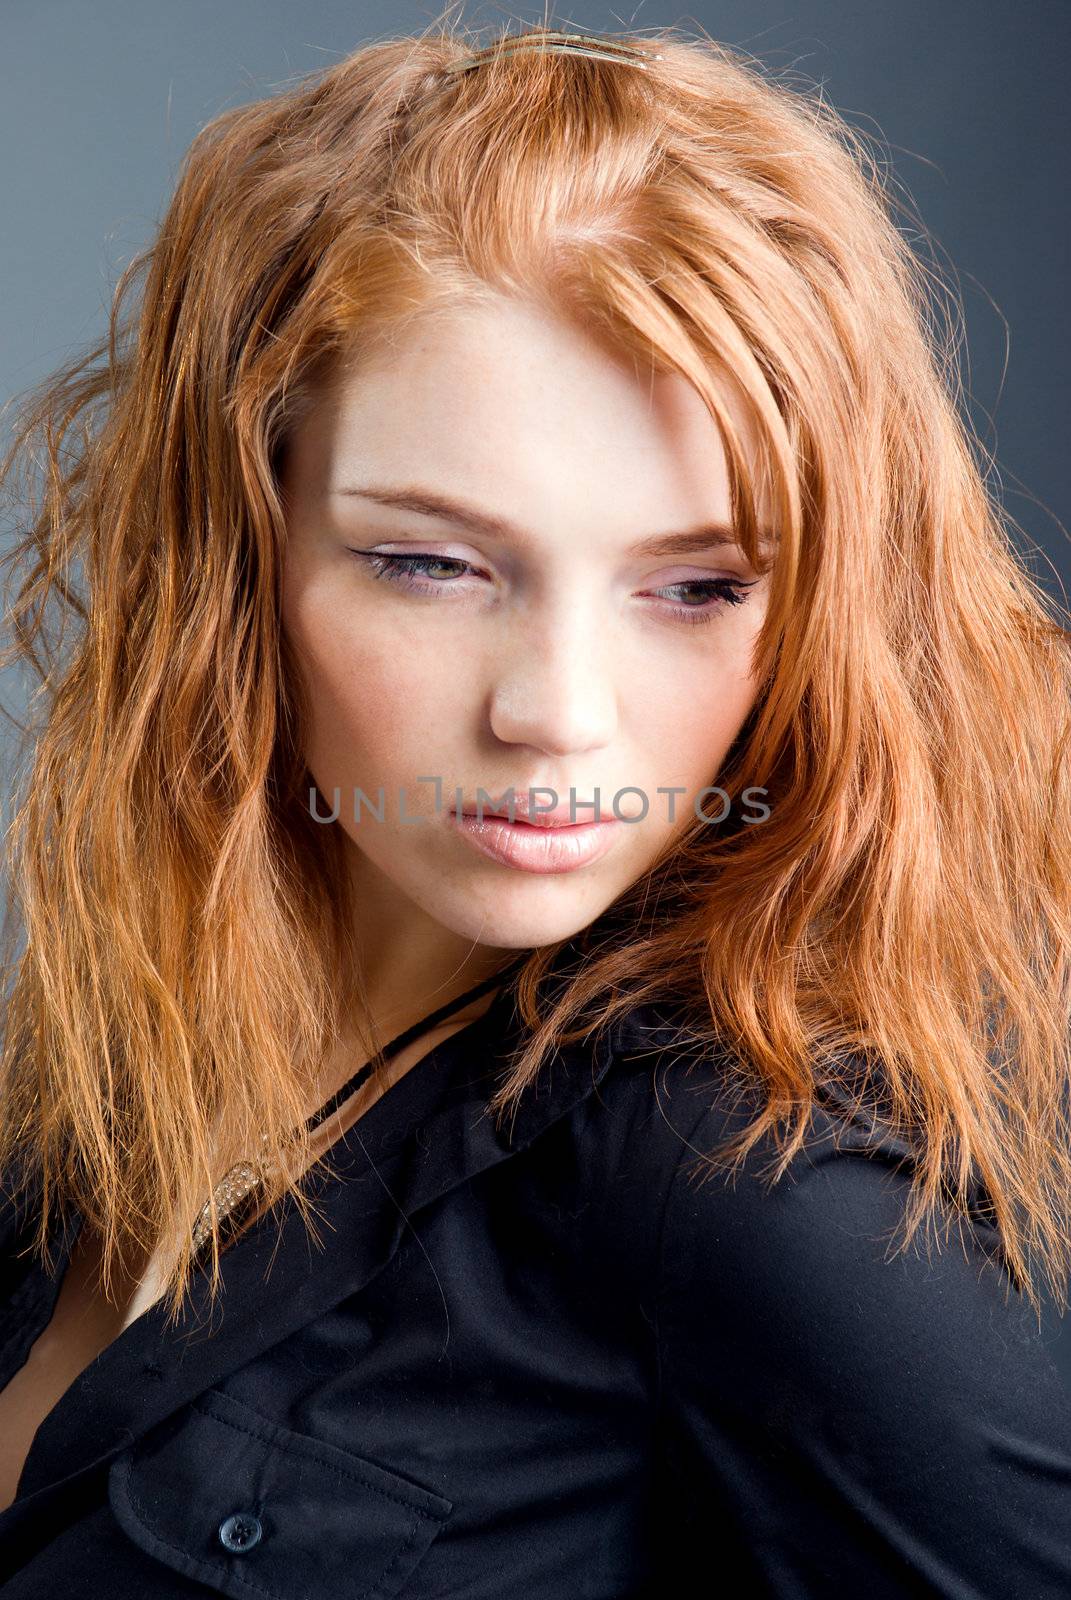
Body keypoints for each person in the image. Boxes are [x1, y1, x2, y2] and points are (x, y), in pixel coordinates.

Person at [0, 18, 1070, 1597]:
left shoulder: (759, 1197)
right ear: (243, 558)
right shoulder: (104, 1053)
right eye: (430, 562)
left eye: (698, 584)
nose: (558, 713)